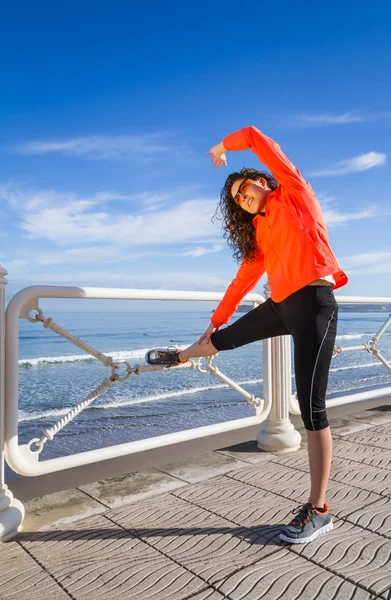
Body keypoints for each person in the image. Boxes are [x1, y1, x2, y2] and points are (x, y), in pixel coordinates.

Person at [146, 125, 348, 544]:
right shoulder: (260, 230)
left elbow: (259, 138)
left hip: (313, 304)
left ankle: (319, 508)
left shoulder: (294, 194)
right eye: (237, 197)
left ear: (263, 181)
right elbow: (244, 278)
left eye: (246, 187)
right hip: (280, 307)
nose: (244, 197)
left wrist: (222, 146)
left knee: (311, 409)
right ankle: (182, 355)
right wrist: (217, 318)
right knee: (225, 338)